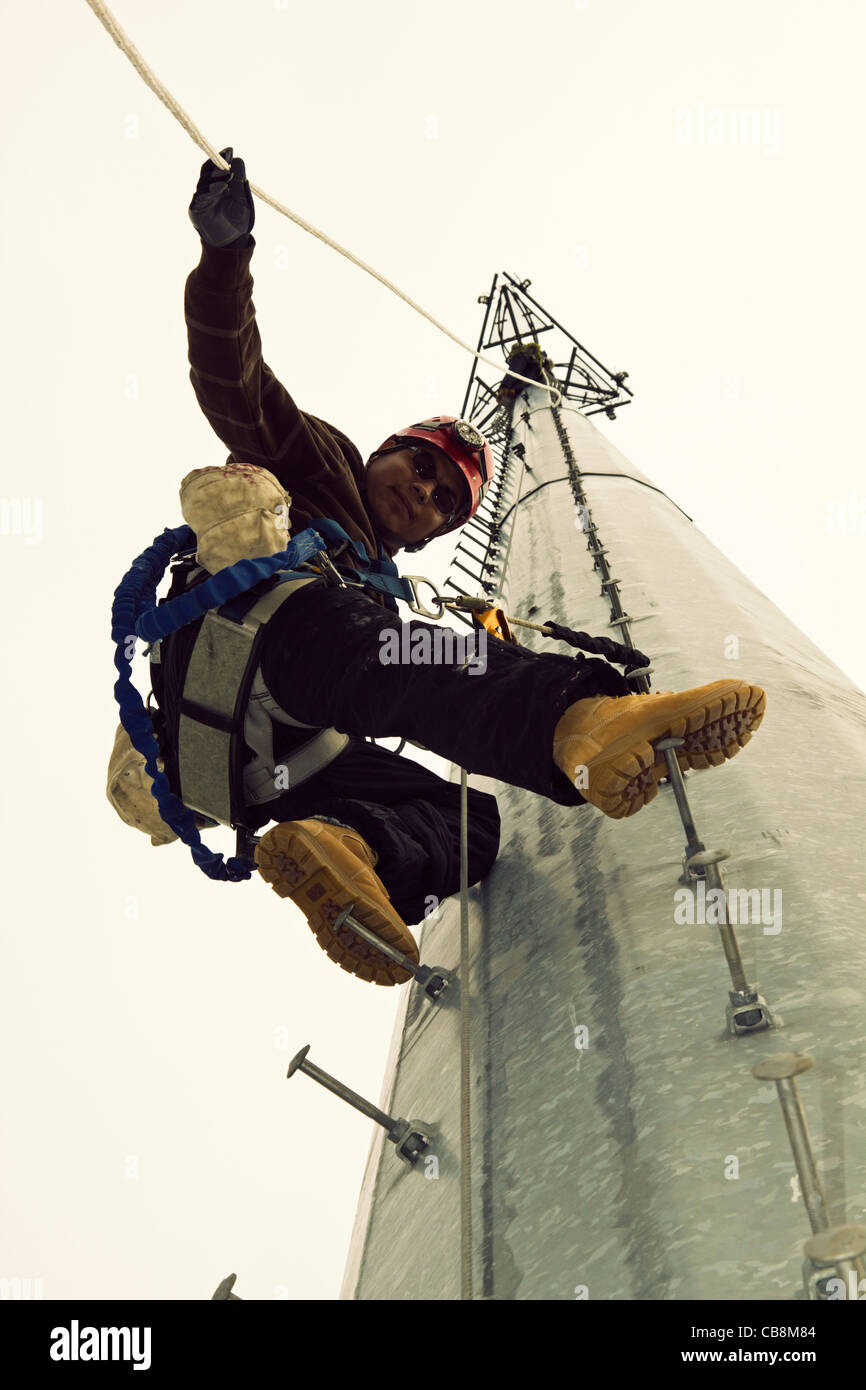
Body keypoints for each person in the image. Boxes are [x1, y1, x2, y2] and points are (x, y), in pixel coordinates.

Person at [148, 149, 767, 988]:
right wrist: (225, 259)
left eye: (445, 500)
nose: (427, 491)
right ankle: (585, 722)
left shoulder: (374, 578)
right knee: (414, 655)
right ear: (384, 452)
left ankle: (347, 849)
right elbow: (234, 380)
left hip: (257, 768)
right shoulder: (318, 465)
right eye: (421, 465)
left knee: (468, 821)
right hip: (257, 638)